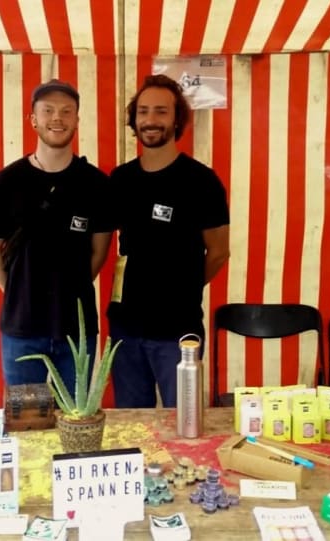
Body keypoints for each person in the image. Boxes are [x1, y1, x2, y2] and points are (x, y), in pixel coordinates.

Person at [0, 79, 112, 396]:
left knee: (77, 421)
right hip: (21, 330)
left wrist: (70, 288)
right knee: (27, 424)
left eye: (67, 111)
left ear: (77, 121)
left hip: (76, 332)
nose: (58, 118)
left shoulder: (96, 184)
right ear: (33, 120)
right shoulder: (6, 182)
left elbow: (99, 251)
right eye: (49, 110)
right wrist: (17, 291)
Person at [108, 74, 230, 408]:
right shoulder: (120, 180)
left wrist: (183, 285)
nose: (150, 120)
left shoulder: (201, 182)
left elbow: (219, 252)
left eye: (161, 111)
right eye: (143, 111)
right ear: (134, 119)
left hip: (178, 332)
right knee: (133, 429)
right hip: (125, 331)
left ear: (177, 120)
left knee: (185, 428)